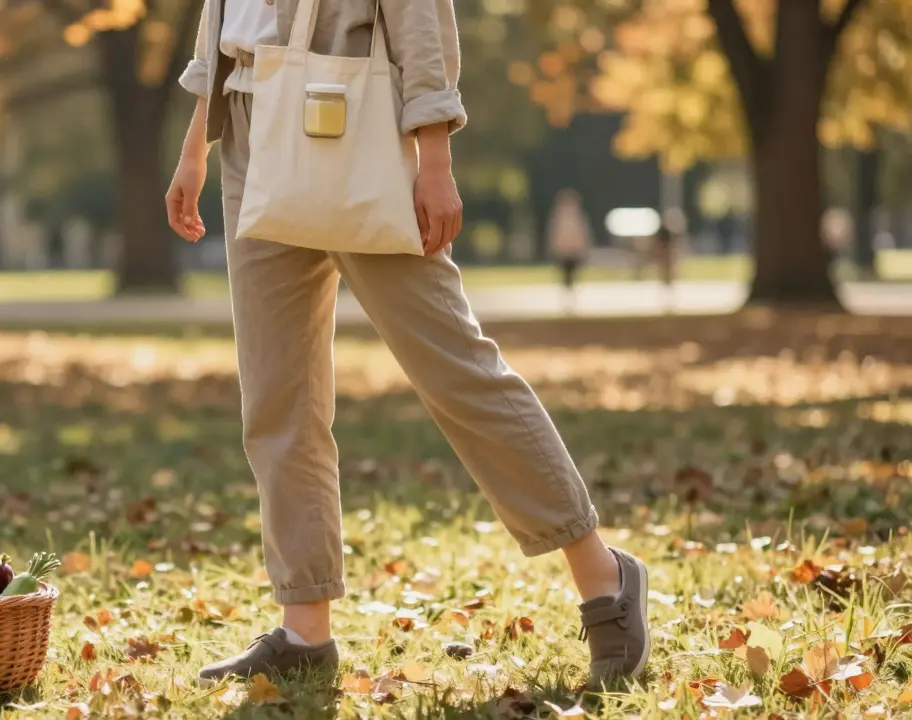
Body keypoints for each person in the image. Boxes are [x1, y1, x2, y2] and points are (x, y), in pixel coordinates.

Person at [165, 0, 650, 688]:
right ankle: (305, 629)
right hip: (252, 133)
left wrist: (435, 158)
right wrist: (196, 146)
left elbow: (420, 21)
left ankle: (604, 577)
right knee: (277, 398)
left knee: (455, 371)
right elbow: (223, 19)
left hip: (356, 126)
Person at [547, 189, 591, 313]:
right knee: (566, 275)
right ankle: (567, 298)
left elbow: (582, 235)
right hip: (565, 251)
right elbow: (555, 234)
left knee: (572, 275)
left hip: (573, 250)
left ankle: (570, 298)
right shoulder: (559, 217)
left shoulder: (577, 217)